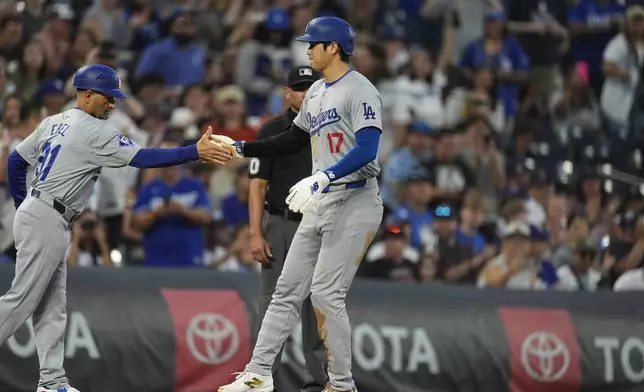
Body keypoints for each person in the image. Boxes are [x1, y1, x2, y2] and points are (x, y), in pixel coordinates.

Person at [1, 64, 231, 392]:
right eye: (108, 98)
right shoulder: (94, 130)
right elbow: (145, 158)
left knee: (52, 304)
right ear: (87, 94)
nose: (113, 104)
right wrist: (194, 150)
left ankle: (52, 382)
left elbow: (16, 161)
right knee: (23, 299)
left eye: (115, 98)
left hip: (42, 212)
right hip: (47, 216)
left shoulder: (54, 121)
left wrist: (26, 203)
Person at [216, 16, 384, 392]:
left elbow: (368, 149)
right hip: (322, 200)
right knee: (286, 290)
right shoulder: (319, 92)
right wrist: (241, 147)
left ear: (333, 48)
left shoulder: (360, 89)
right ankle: (258, 373)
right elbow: (290, 140)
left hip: (356, 198)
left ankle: (341, 384)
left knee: (325, 294)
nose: (307, 49)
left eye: (313, 44)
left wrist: (324, 175)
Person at [247, 65, 327, 392]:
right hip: (280, 223)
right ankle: (264, 380)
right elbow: (257, 185)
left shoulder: (329, 127)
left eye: (310, 87)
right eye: (299, 88)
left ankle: (319, 384)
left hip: (320, 223)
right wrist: (255, 232)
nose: (305, 93)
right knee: (272, 304)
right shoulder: (272, 130)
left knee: (318, 304)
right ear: (287, 93)